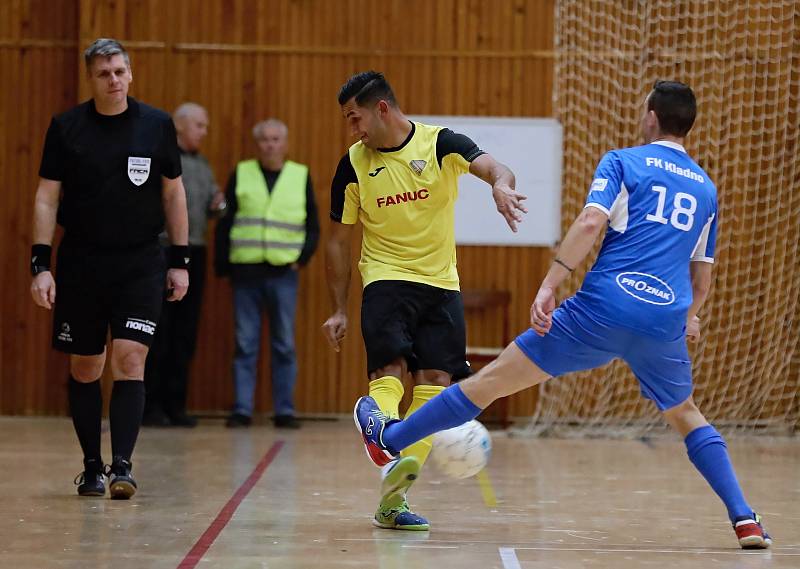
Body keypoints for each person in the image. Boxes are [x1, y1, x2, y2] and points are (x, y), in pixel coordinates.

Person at [354, 80, 773, 549]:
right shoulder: (706, 190)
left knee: (488, 383)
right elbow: (701, 280)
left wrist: (550, 284)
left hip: (601, 309)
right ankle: (745, 519)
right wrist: (690, 317)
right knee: (686, 414)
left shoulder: (623, 162)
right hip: (663, 319)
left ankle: (390, 439)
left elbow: (591, 222)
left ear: (650, 116)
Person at [322, 71, 527, 531]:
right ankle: (378, 427)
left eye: (355, 118)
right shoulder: (353, 165)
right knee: (390, 369)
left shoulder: (440, 144)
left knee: (435, 382)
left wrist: (500, 185)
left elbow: (496, 167)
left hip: (441, 284)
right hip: (385, 279)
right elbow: (338, 242)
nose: (352, 129)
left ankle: (392, 498)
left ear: (382, 109)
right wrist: (338, 307)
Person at [30, 38, 189, 499]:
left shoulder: (157, 125)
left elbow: (173, 193)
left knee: (130, 357)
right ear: (91, 78)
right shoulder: (66, 127)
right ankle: (92, 466)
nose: (114, 80)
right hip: (81, 260)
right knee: (86, 366)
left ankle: (123, 466)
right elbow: (46, 196)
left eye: (120, 71)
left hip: (140, 260)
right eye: (104, 73)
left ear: (130, 74)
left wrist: (180, 260)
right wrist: (41, 264)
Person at [215, 119, 319, 429]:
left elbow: (313, 224)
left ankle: (284, 410)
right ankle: (242, 410)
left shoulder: (300, 176)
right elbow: (226, 221)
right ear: (257, 144)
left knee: (284, 344)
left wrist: (302, 259)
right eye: (264, 140)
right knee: (245, 343)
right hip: (245, 273)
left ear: (285, 144)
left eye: (276, 139)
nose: (270, 145)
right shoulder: (241, 173)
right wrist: (223, 265)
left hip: (284, 273)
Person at [143, 103, 224, 428]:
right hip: (163, 251)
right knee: (160, 330)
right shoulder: (160, 158)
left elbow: (211, 208)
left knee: (184, 333)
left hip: (197, 251)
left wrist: (220, 205)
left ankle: (176, 405)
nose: (204, 132)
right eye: (200, 125)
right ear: (180, 127)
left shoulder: (202, 164)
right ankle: (150, 407)